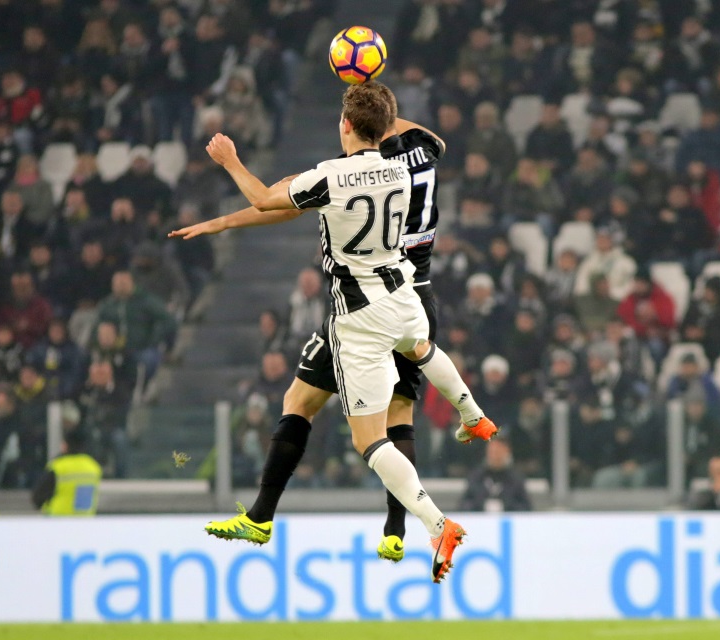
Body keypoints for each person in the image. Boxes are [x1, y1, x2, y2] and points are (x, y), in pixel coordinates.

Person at [179, 82, 497, 582]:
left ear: (345, 125)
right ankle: (472, 414)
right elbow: (425, 138)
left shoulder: (331, 177)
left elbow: (267, 199)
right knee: (417, 352)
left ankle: (436, 524)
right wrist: (381, 102)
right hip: (405, 293)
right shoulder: (403, 168)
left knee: (369, 440)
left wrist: (230, 160)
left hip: (359, 317)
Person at [31, 429, 102, 516]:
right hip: (85, 522)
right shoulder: (93, 467)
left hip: (58, 522)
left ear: (65, 445)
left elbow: (37, 497)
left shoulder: (58, 467)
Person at [459, 436, 532, 512]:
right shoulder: (476, 477)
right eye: (492, 452)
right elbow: (464, 504)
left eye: (498, 452)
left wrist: (506, 506)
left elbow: (525, 507)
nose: (494, 456)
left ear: (506, 452)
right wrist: (481, 506)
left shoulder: (516, 478)